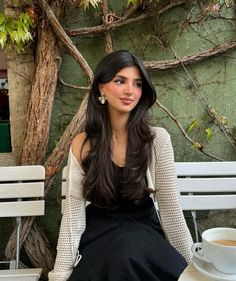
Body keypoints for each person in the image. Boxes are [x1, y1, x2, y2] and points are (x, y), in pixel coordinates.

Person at [48, 50, 193, 281]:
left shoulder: (157, 141)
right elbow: (73, 219)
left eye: (137, 84)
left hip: (144, 235)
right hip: (100, 236)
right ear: (101, 88)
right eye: (120, 81)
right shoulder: (82, 144)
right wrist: (60, 274)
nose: (130, 91)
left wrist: (194, 269)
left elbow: (171, 213)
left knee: (128, 250)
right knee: (119, 254)